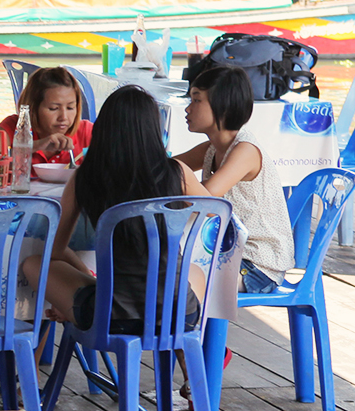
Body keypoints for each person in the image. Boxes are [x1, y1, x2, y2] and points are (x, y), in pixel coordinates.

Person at [23, 86, 213, 333]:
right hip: (178, 315)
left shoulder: (86, 176)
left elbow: (56, 250)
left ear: (104, 129)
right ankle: (184, 350)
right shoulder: (177, 172)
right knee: (194, 271)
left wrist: (87, 280)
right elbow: (214, 211)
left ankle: (89, 298)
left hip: (111, 316)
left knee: (33, 263)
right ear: (154, 130)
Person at [174, 65, 293, 293]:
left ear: (223, 107)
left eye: (197, 100)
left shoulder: (245, 150)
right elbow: (162, 168)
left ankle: (187, 327)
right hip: (227, 250)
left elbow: (207, 203)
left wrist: (179, 171)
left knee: (176, 276)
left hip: (256, 265)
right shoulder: (211, 148)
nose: (187, 109)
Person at [0, 66, 92, 167]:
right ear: (33, 108)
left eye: (70, 108)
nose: (63, 117)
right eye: (53, 108)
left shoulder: (86, 132)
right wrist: (35, 146)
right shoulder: (11, 128)